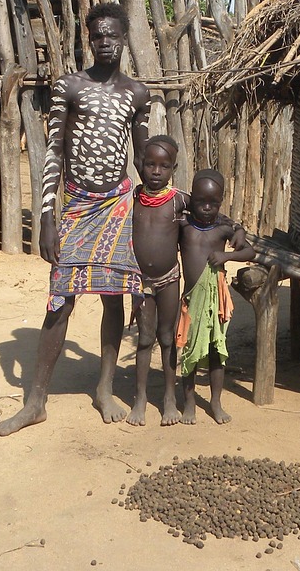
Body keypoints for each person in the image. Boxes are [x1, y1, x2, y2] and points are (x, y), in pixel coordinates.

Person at [0, 3, 150, 436]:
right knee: (60, 299)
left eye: (112, 36)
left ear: (124, 38)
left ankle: (104, 388)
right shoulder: (70, 87)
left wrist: (164, 204)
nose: (105, 43)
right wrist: (48, 217)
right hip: (78, 206)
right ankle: (35, 400)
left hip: (117, 205)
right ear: (90, 39)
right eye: (98, 36)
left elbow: (142, 158)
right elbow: (54, 152)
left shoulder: (137, 94)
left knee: (112, 296)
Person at [177, 169, 254, 425]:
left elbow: (250, 252)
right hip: (191, 299)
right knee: (189, 352)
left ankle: (215, 402)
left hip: (215, 302)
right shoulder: (184, 225)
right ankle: (189, 404)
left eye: (214, 203)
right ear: (191, 199)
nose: (207, 208)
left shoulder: (222, 229)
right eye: (200, 202)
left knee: (215, 351)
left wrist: (227, 256)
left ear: (221, 201)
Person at [128, 134, 188, 427]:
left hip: (169, 278)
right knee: (144, 339)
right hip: (140, 281)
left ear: (173, 167)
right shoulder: (132, 199)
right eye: (150, 164)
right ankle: (139, 398)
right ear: (141, 165)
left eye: (163, 166)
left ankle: (169, 398)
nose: (155, 171)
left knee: (167, 338)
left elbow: (209, 217)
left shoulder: (180, 202)